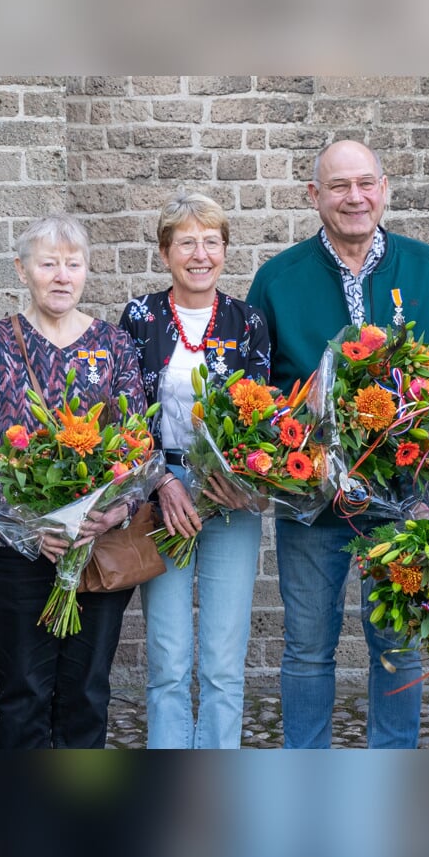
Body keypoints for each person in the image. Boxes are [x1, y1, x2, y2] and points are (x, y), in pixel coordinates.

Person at [245, 139, 429, 749]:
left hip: (400, 501)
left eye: (365, 183)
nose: (354, 197)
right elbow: (254, 391)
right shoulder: (277, 279)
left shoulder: (422, 267)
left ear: (385, 188)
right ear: (314, 196)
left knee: (398, 646)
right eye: (339, 186)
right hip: (309, 501)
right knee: (308, 646)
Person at [0, 214, 144, 748]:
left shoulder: (113, 345)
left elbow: (138, 447)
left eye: (73, 264)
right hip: (14, 552)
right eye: (48, 264)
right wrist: (30, 526)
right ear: (23, 271)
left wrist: (117, 510)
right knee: (22, 690)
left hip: (96, 545)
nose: (62, 276)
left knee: (87, 691)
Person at [117, 193, 270, 749]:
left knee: (225, 660)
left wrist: (243, 478)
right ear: (165, 253)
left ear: (225, 251)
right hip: (163, 494)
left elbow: (263, 412)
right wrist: (160, 481)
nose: (200, 254)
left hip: (230, 495)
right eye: (187, 242)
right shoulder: (140, 317)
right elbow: (127, 413)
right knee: (168, 655)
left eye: (211, 242)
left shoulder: (247, 320)